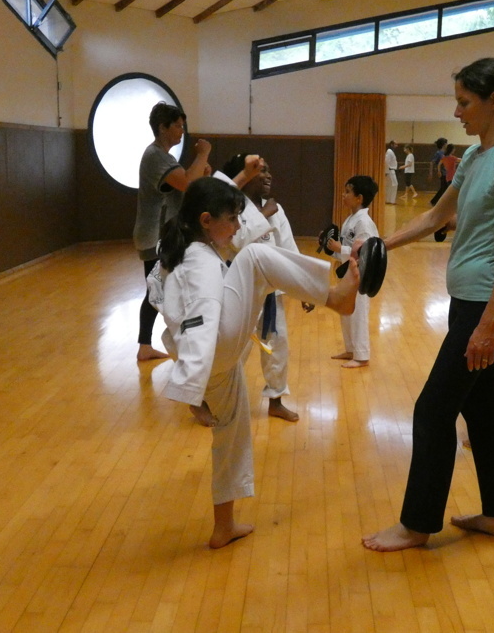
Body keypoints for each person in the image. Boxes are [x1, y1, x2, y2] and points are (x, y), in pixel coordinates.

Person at [362, 57, 494, 552]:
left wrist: (489, 325)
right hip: (468, 302)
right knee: (482, 410)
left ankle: (416, 525)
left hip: (487, 307)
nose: (457, 112)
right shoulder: (476, 155)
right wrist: (379, 245)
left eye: (464, 102)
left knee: (432, 410)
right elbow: (437, 215)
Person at [148, 175, 361, 548]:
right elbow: (201, 316)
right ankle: (334, 298)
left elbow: (162, 298)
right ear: (205, 220)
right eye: (231, 219)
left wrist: (197, 384)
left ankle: (224, 526)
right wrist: (190, 386)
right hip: (211, 348)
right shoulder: (198, 260)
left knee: (230, 433)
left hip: (213, 361)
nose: (236, 227)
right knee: (255, 257)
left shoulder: (180, 249)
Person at [221, 154, 311, 422]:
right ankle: (213, 398)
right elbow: (235, 241)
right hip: (241, 291)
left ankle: (276, 400)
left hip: (271, 292)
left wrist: (304, 287)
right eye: (261, 171)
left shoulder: (276, 208)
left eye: (269, 170)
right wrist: (263, 215)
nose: (268, 175)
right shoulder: (231, 207)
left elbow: (288, 248)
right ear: (245, 175)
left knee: (278, 347)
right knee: (234, 348)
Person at [133, 102, 211, 362]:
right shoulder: (156, 156)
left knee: (159, 290)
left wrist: (201, 171)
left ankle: (147, 345)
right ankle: (150, 345)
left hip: (161, 236)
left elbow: (189, 184)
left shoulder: (164, 157)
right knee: (158, 291)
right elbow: (187, 182)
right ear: (162, 127)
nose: (181, 131)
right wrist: (203, 154)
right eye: (177, 125)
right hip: (155, 237)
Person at [326, 175, 380, 368]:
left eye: (348, 192)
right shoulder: (351, 219)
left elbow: (366, 252)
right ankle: (351, 349)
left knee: (358, 314)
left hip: (361, 275)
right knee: (346, 311)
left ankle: (362, 355)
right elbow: (346, 247)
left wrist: (340, 248)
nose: (343, 195)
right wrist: (331, 249)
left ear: (359, 198)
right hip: (348, 272)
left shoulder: (364, 222)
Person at [429, 137, 449, 205]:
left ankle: (437, 201)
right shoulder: (439, 153)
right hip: (442, 173)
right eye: (446, 143)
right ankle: (434, 201)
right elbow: (432, 163)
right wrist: (431, 173)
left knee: (444, 188)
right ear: (444, 144)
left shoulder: (445, 153)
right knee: (444, 188)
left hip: (446, 173)